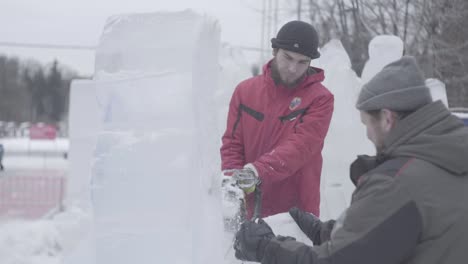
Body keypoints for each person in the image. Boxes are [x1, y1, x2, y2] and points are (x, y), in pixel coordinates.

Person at [233, 56, 468, 263]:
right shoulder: (447, 157)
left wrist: (266, 247)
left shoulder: (398, 182)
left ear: (387, 118)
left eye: (367, 124)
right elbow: (396, 232)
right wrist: (325, 232)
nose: (367, 134)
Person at [220, 20, 334, 218]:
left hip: (295, 213)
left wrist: (257, 171)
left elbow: (302, 146)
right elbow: (232, 144)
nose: (292, 68)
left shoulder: (320, 98)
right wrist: (233, 182)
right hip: (250, 207)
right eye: (287, 58)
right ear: (274, 51)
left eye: (302, 62)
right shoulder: (245, 91)